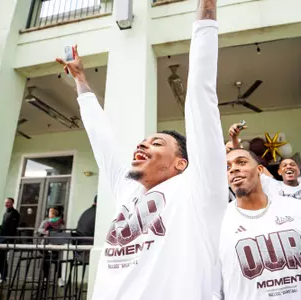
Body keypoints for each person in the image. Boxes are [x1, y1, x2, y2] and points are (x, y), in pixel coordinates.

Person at [55, 1, 227, 298]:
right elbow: (101, 138)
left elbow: (201, 96)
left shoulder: (198, 190)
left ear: (181, 163)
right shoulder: (127, 191)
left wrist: (207, 10)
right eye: (143, 141)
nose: (143, 144)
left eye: (157, 143)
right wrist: (81, 80)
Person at [213, 148, 301, 299]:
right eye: (227, 167)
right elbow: (212, 292)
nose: (234, 169)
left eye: (241, 162)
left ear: (260, 170)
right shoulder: (216, 224)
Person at [0, 197, 20, 287]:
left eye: (8, 202)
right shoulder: (6, 213)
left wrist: (5, 231)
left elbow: (12, 228)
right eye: (5, 202)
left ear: (12, 203)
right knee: (1, 257)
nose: (6, 204)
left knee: (1, 257)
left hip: (7, 238)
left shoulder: (15, 213)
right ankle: (0, 278)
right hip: (2, 238)